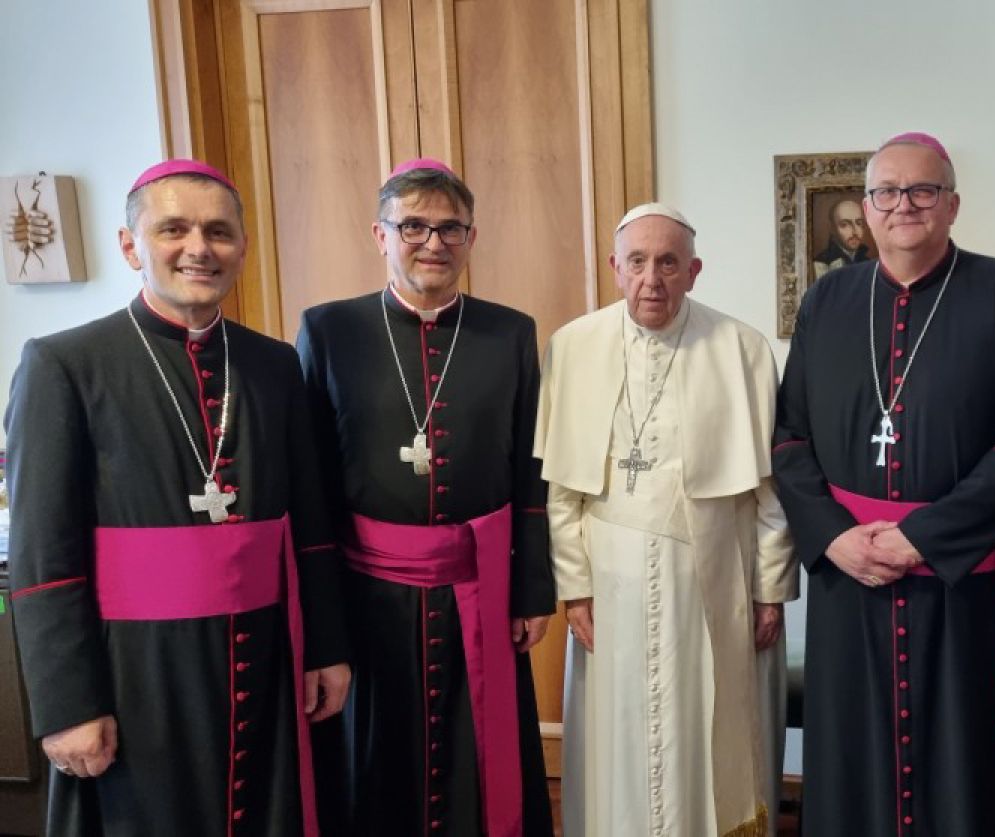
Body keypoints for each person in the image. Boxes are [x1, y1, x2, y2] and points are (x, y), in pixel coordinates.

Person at [4, 159, 351, 837]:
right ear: (131, 245)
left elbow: (310, 524)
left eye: (219, 231)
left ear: (242, 248)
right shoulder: (64, 363)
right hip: (135, 670)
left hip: (265, 656)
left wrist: (325, 647)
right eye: (174, 229)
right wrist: (68, 704)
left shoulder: (274, 363)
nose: (199, 247)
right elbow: (43, 554)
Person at [773, 132, 995, 837]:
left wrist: (921, 538)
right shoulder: (826, 301)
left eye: (923, 190)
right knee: (852, 757)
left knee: (962, 755)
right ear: (867, 207)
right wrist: (834, 538)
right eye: (887, 192)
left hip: (960, 579)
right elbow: (789, 439)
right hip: (851, 574)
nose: (904, 204)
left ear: (952, 204)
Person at [296, 158, 555, 837]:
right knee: (376, 761)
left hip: (479, 583)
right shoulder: (329, 330)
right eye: (413, 226)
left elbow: (530, 472)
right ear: (380, 235)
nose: (433, 242)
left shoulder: (510, 332)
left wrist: (532, 590)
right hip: (367, 593)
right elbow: (311, 484)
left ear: (471, 238)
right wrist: (323, 618)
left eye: (450, 228)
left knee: (479, 755)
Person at [535, 203, 797, 837]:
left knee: (706, 724)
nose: (651, 279)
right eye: (638, 262)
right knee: (619, 729)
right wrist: (574, 586)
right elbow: (561, 491)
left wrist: (769, 588)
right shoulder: (572, 346)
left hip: (712, 577)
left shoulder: (742, 348)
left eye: (668, 263)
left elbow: (770, 490)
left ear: (694, 271)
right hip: (611, 583)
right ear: (615, 268)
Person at [812, 198, 870, 278]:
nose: (855, 232)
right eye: (844, 225)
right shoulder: (821, 264)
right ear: (832, 229)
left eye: (859, 223)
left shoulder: (867, 262)